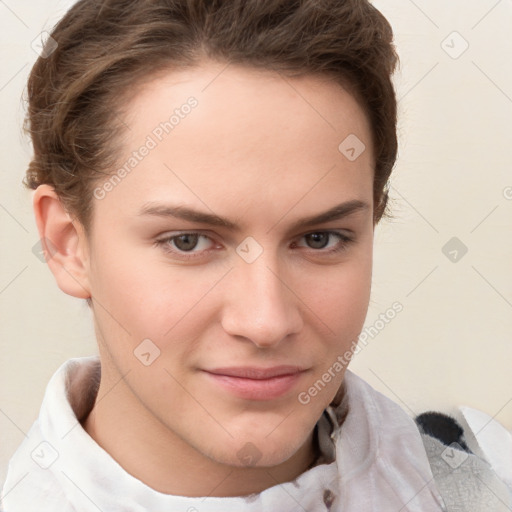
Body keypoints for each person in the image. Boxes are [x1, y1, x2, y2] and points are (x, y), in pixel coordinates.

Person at [1, 0, 510, 510]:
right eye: (188, 241)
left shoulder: (484, 477)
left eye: (319, 238)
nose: (266, 322)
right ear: (68, 245)